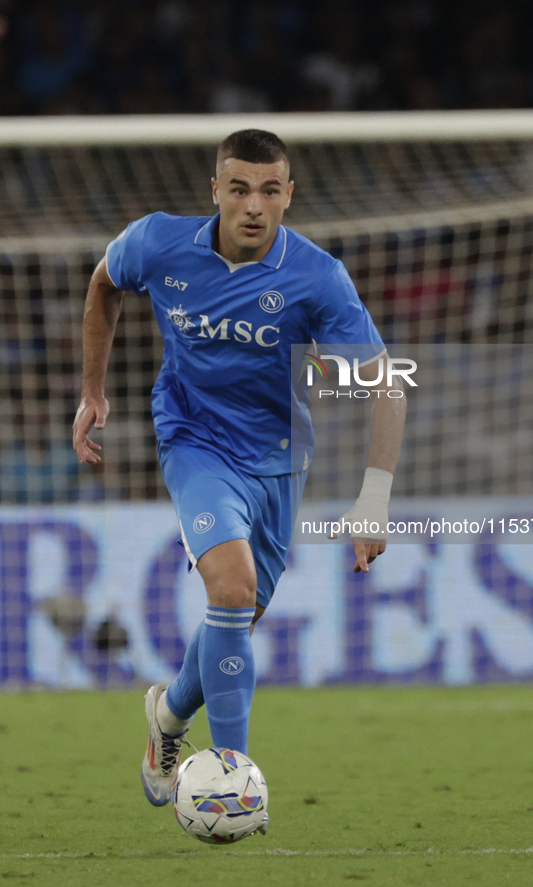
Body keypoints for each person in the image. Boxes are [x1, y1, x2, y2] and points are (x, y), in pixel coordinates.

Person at [72, 129, 406, 823]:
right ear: (215, 190)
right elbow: (104, 283)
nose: (253, 204)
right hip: (192, 439)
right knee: (231, 584)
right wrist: (92, 391)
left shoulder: (314, 276)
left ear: (289, 194)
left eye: (269, 189)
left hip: (279, 460)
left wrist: (372, 499)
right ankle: (231, 784)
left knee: (237, 617)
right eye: (239, 187)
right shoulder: (158, 243)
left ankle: (166, 714)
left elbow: (384, 383)